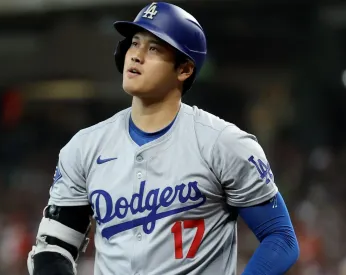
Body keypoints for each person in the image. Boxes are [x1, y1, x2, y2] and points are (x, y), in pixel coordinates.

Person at [27, 2, 300, 274]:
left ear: (184, 70)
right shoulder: (84, 147)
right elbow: (54, 246)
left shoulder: (223, 144)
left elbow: (281, 239)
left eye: (154, 48)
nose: (136, 55)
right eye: (134, 43)